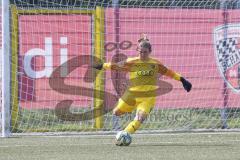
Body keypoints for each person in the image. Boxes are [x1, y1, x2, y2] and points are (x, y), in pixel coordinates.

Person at [93, 34, 192, 145]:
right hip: (131, 95)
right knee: (116, 112)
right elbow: (115, 66)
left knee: (140, 118)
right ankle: (130, 111)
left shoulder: (155, 64)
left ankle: (126, 133)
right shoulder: (132, 62)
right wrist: (102, 65)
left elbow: (169, 72)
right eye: (140, 52)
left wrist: (182, 80)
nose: (142, 54)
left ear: (150, 51)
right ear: (137, 51)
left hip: (147, 98)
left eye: (145, 52)